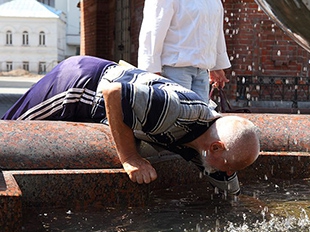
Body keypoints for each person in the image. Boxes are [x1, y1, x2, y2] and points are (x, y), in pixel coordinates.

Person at [2, 55, 260, 195]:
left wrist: (251, 206)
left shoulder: (206, 144)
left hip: (100, 92)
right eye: (229, 168)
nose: (228, 173)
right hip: (80, 82)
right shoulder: (177, 112)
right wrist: (130, 157)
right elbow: (114, 94)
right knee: (11, 131)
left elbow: (228, 182)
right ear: (215, 148)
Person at [138, 0, 231, 103]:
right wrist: (151, 71)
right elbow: (152, 32)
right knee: (177, 117)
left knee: (201, 117)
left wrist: (217, 66)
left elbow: (216, 30)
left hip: (202, 72)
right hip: (174, 70)